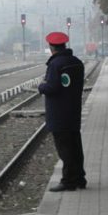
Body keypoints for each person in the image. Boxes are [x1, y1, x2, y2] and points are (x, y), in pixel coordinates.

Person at [38, 32, 87, 192]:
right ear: (64, 46)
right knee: (75, 146)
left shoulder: (55, 64)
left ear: (52, 47)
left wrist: (41, 86)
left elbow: (52, 87)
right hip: (73, 111)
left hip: (59, 114)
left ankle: (68, 181)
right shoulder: (76, 62)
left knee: (65, 149)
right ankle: (80, 178)